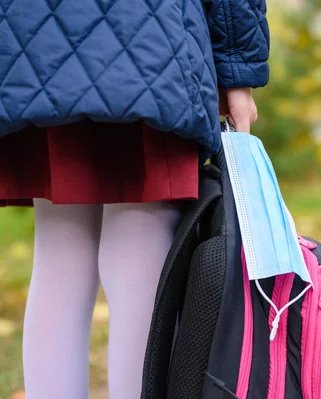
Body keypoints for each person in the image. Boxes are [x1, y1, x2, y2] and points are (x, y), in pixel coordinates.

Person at [0, 0, 269, 397]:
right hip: (150, 35)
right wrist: (236, 69)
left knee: (60, 251)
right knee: (140, 244)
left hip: (33, 36)